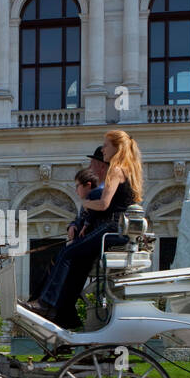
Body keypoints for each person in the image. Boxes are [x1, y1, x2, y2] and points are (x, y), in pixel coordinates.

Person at [27, 130, 143, 329]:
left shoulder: (116, 169)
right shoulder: (130, 169)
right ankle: (64, 314)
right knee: (76, 260)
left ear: (116, 147)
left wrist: (87, 204)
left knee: (67, 252)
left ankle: (45, 303)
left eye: (106, 145)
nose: (103, 150)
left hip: (112, 228)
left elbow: (104, 204)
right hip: (119, 229)